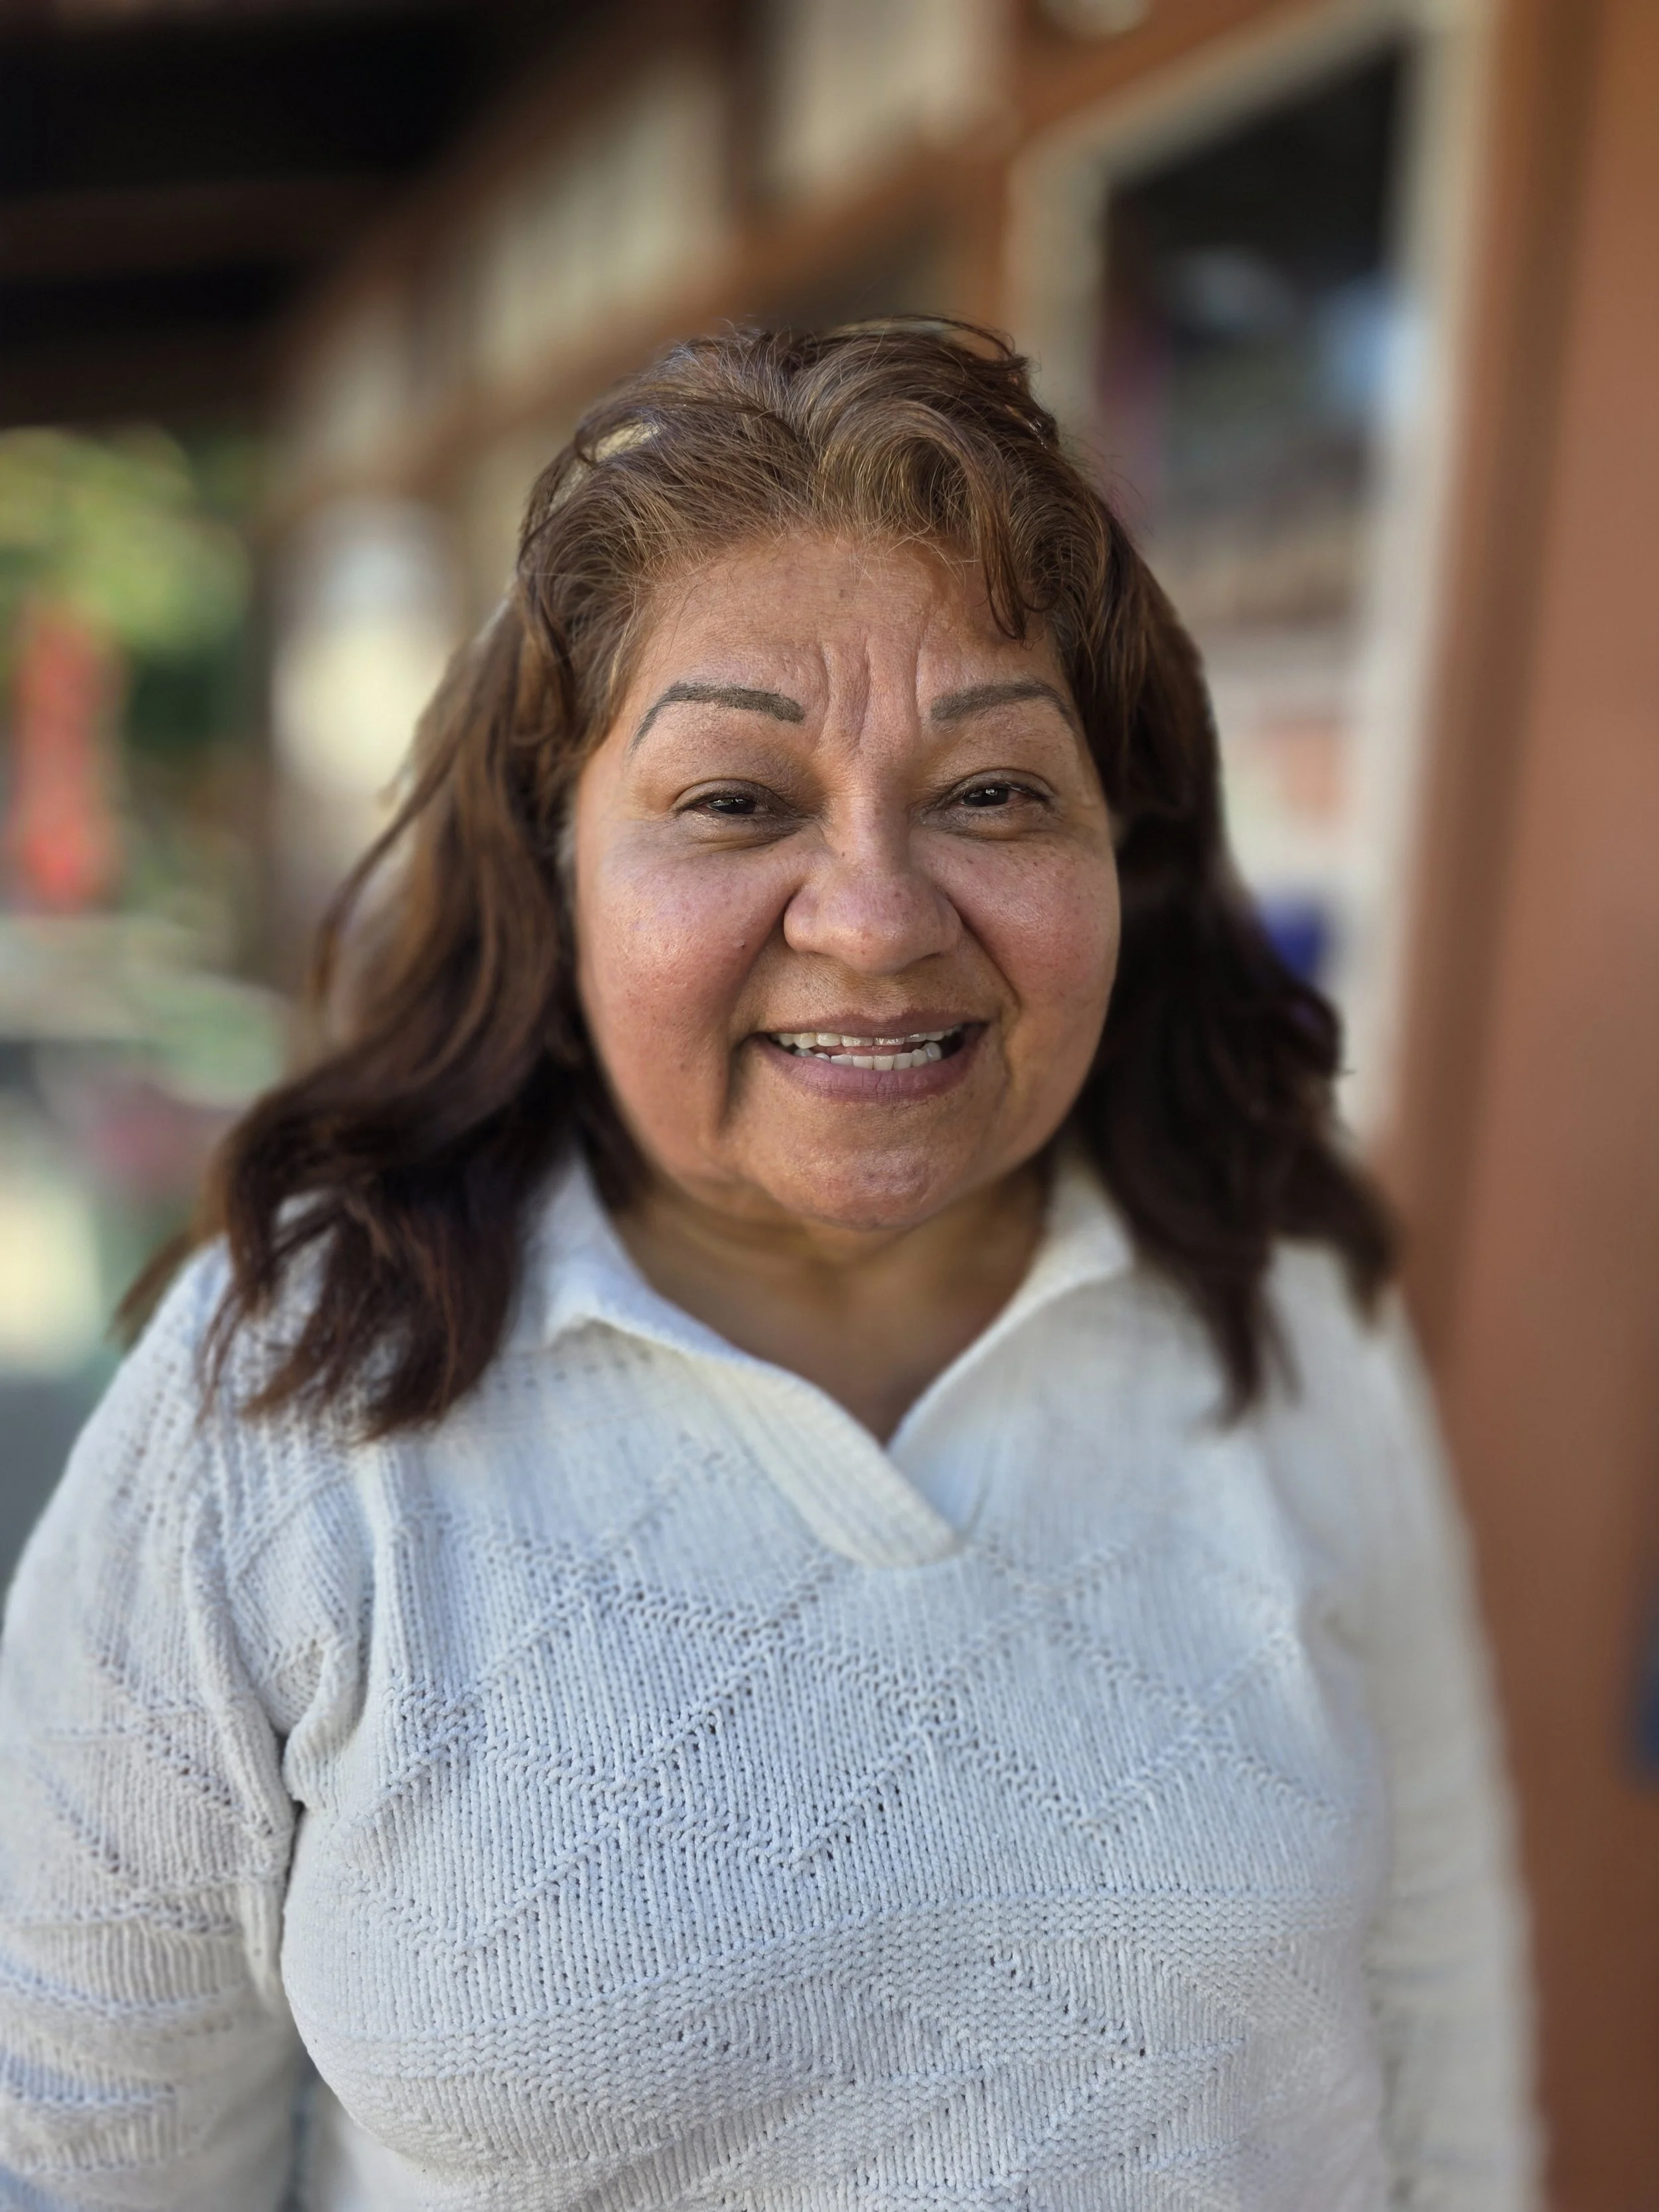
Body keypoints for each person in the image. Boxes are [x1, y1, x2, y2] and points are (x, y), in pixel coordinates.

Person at [0, 323, 1536, 2210]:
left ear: (1117, 858)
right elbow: (77, 2144)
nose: (877, 919)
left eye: (991, 793)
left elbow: (1441, 2070)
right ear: (553, 865)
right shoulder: (295, 1384)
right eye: (735, 801)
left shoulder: (1282, 1332)